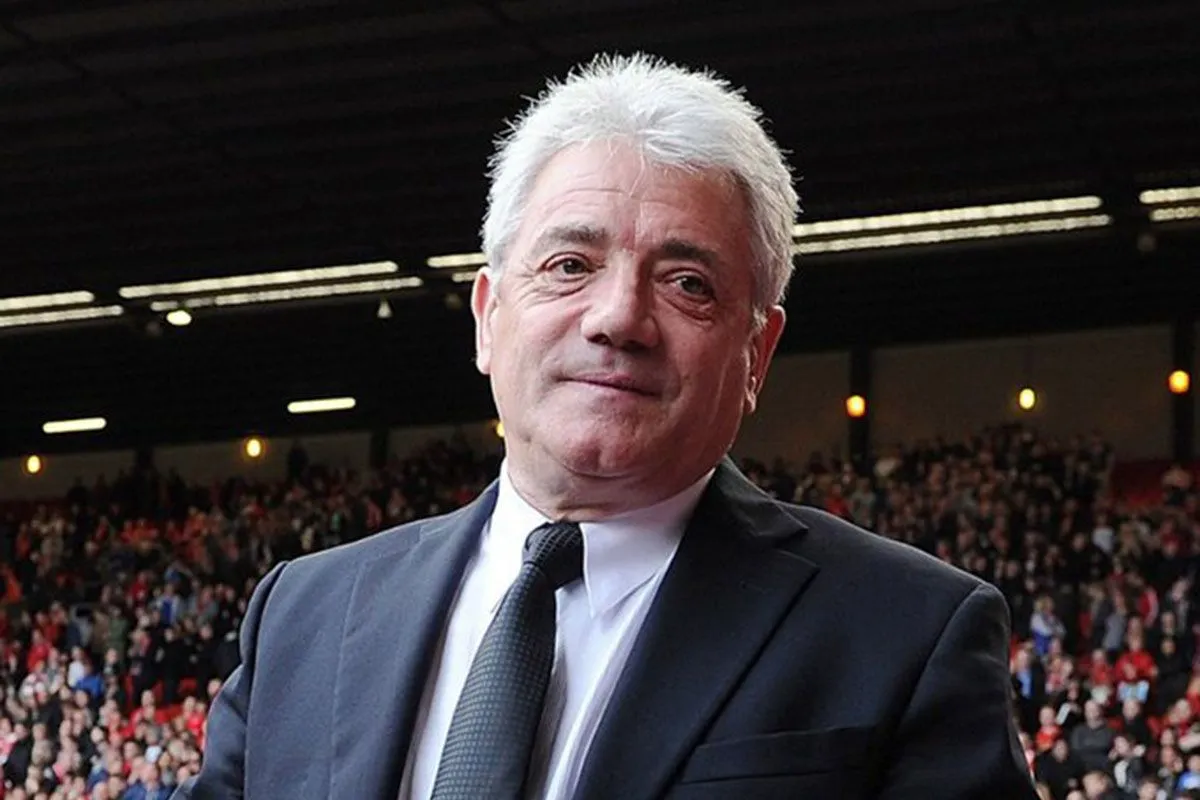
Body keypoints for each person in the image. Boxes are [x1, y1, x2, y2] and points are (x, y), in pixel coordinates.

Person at [174, 53, 1037, 799]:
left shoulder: (907, 632)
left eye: (687, 282)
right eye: (569, 265)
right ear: (488, 316)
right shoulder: (304, 613)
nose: (618, 317)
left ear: (756, 355)